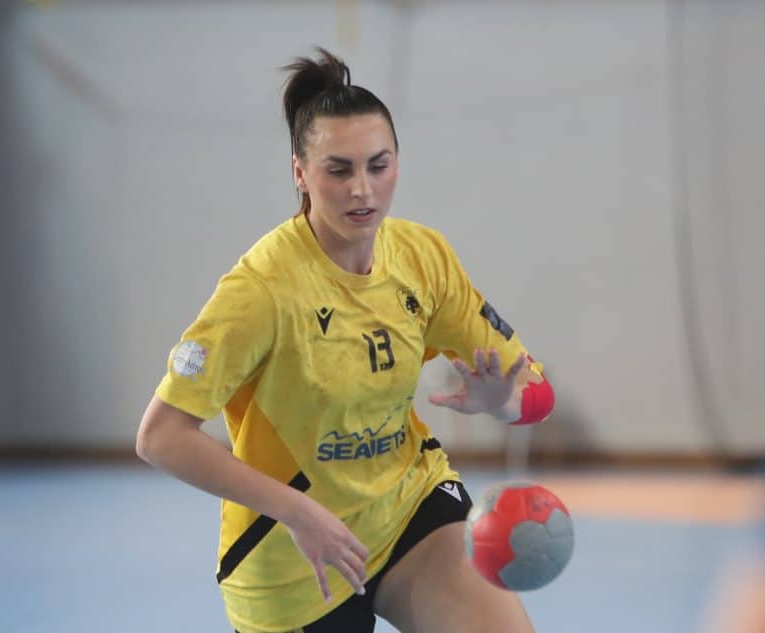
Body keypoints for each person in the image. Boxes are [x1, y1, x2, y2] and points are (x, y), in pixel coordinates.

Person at [136, 48, 555, 633]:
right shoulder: (262, 289)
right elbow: (160, 437)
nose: (363, 189)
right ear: (300, 173)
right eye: (338, 171)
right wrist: (295, 510)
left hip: (407, 508)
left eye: (378, 166)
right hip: (291, 554)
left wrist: (502, 402)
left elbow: (536, 394)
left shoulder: (422, 258)